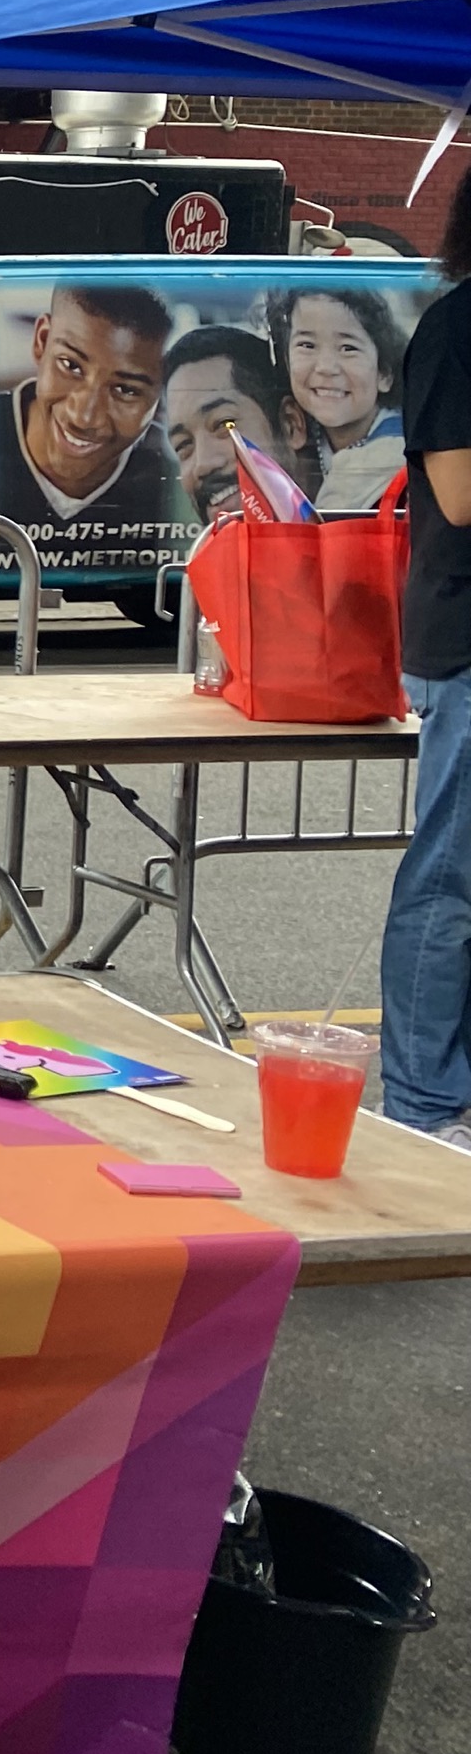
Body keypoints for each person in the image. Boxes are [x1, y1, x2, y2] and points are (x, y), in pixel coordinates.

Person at [381, 173, 471, 1146]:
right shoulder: (454, 332)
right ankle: (421, 1100)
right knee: (451, 878)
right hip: (464, 641)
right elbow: (461, 493)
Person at [0, 283, 176, 545]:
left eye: (125, 389)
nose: (84, 417)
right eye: (70, 365)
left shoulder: (179, 478)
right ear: (42, 340)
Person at [162, 324, 319, 522]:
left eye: (223, 424)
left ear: (290, 425)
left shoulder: (364, 537)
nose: (203, 465)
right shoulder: (197, 552)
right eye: (183, 445)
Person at [274, 285, 408, 513]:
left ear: (384, 373)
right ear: (287, 362)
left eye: (348, 348)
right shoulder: (293, 428)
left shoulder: (395, 447)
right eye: (307, 345)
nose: (326, 367)